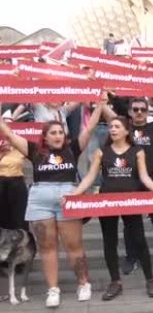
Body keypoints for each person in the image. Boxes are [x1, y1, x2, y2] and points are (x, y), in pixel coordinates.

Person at [0, 100, 104, 307]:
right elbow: (9, 134)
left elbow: (90, 126)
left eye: (60, 132)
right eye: (53, 133)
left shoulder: (73, 148)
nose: (58, 136)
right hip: (40, 199)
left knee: (74, 246)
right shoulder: (34, 150)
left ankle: (83, 283)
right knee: (47, 247)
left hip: (68, 197)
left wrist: (100, 103)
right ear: (45, 137)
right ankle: (52, 289)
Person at [70, 117, 153, 301]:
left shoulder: (137, 151)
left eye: (117, 127)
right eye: (111, 126)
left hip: (131, 201)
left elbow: (144, 177)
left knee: (139, 239)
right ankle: (115, 281)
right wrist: (75, 194)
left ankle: (150, 279)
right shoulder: (101, 152)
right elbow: (90, 177)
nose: (112, 129)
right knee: (109, 241)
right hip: (108, 201)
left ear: (127, 131)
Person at [107, 96, 153, 273]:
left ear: (148, 111)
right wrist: (100, 96)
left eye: (143, 109)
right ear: (129, 112)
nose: (139, 112)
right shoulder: (125, 128)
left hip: (150, 179)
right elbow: (108, 113)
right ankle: (131, 258)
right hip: (129, 180)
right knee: (130, 222)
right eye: (135, 109)